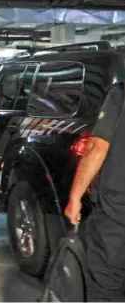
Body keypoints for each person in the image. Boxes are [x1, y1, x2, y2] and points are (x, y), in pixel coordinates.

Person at [65, 82, 125, 301]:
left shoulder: (120, 94)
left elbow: (97, 147)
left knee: (105, 286)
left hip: (117, 216)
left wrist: (75, 197)